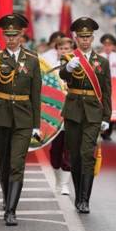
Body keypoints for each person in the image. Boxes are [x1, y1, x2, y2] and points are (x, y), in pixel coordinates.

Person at [0, 13, 42, 226]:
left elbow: (36, 93)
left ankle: (11, 210)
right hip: (2, 115)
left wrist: (36, 125)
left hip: (23, 117)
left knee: (17, 163)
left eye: (15, 34)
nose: (11, 38)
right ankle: (7, 198)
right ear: (4, 35)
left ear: (22, 34)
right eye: (8, 35)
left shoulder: (32, 60)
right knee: (3, 162)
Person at [60, 17, 112, 214]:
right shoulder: (68, 58)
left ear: (92, 38)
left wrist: (106, 117)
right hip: (73, 110)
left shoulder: (102, 62)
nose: (84, 40)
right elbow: (63, 76)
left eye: (88, 36)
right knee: (75, 155)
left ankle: (84, 200)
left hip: (93, 112)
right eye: (81, 37)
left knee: (86, 154)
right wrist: (68, 68)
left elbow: (106, 92)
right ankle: (78, 193)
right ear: (76, 37)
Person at [50, 37, 75, 195]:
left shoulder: (79, 67)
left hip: (72, 112)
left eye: (67, 48)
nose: (64, 51)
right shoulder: (51, 69)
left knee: (69, 148)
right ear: (57, 50)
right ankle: (59, 180)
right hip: (55, 113)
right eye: (61, 48)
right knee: (55, 152)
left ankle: (65, 183)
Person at [98, 34, 116, 141]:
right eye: (105, 45)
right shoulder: (98, 56)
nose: (107, 47)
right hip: (102, 86)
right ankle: (102, 128)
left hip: (115, 86)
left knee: (112, 107)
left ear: (113, 46)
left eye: (110, 45)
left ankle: (109, 130)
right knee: (102, 106)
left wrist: (115, 78)